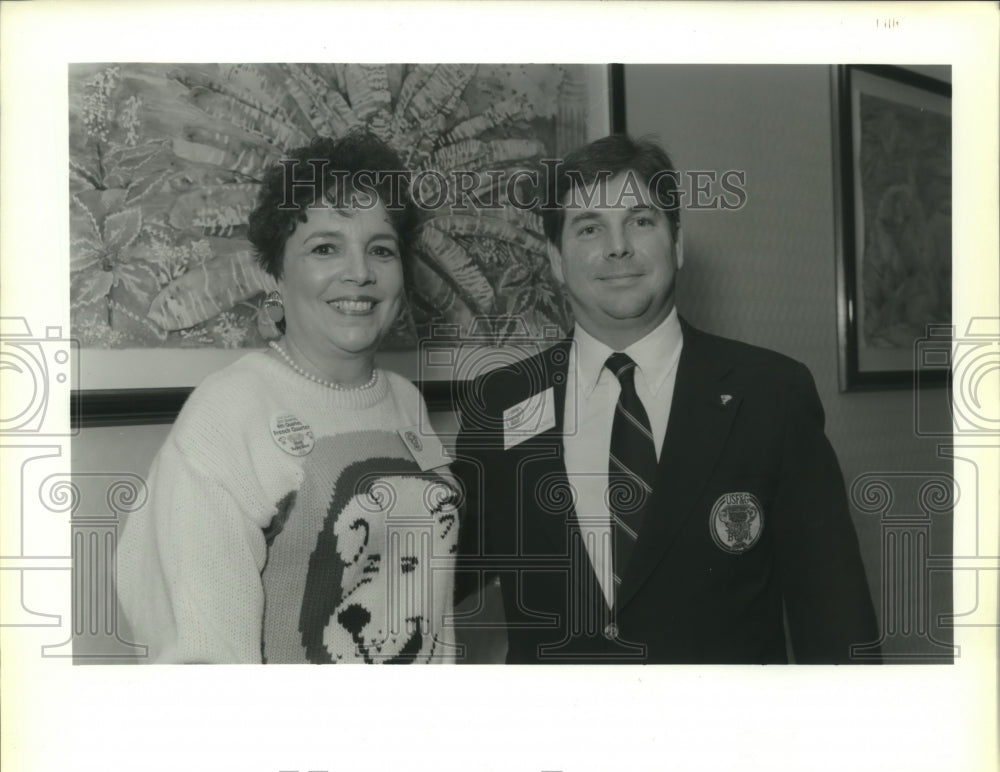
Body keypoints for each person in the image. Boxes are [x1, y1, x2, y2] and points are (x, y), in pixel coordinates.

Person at [453, 133, 879, 664]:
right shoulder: (498, 402)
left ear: (676, 243)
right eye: (589, 227)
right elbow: (433, 580)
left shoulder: (772, 393)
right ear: (556, 259)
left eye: (641, 220)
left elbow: (835, 618)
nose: (617, 246)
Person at [117, 133, 459, 664]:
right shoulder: (229, 413)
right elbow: (204, 662)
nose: (361, 273)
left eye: (381, 250)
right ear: (274, 272)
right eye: (325, 248)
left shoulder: (404, 400)